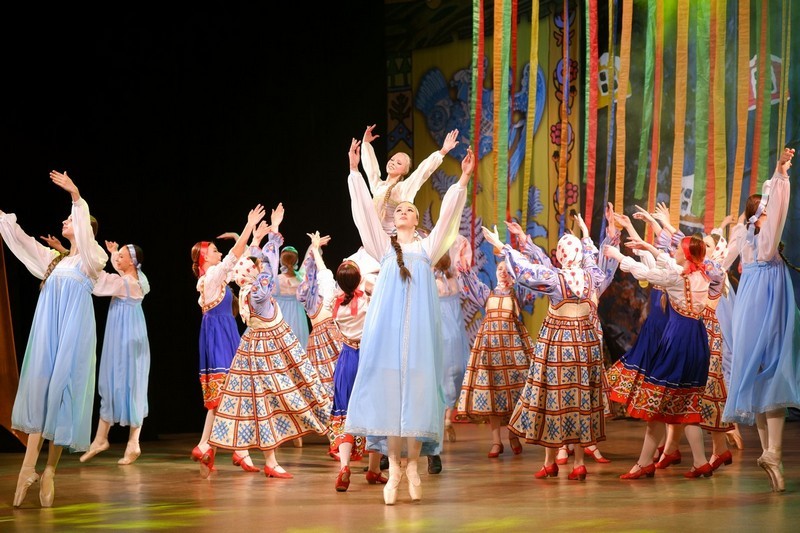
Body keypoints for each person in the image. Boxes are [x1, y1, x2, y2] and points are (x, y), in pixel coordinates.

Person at [344, 137, 474, 505]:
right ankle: (395, 471)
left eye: (409, 210)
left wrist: (463, 180)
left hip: (418, 336)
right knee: (391, 399)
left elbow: (448, 217)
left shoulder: (427, 248)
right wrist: (354, 171)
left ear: (417, 220)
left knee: (416, 396)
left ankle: (413, 465)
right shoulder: (382, 247)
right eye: (399, 209)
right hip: (387, 337)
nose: (402, 212)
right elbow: (364, 212)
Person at [1, 170, 108, 508]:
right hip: (48, 334)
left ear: (85, 228)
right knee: (41, 392)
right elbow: (22, 242)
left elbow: (86, 239)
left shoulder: (93, 259)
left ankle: (48, 470)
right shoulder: (54, 261)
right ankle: (27, 469)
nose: (65, 221)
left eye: (71, 219)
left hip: (73, 334)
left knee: (62, 396)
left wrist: (76, 195)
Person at [200, 206, 332, 479]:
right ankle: (263, 455)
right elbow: (267, 267)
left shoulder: (247, 289)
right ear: (252, 274)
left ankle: (217, 448)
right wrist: (273, 232)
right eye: (256, 267)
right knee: (276, 399)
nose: (260, 266)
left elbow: (258, 262)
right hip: (267, 349)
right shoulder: (258, 292)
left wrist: (262, 238)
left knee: (256, 405)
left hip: (255, 346)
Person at [483, 216, 607, 481]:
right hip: (584, 343)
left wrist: (503, 247)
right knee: (580, 399)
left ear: (560, 256)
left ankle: (551, 461)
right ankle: (578, 463)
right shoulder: (591, 276)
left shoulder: (554, 278)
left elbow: (526, 271)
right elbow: (591, 259)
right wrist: (586, 236)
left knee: (553, 398)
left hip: (559, 342)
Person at [721, 147, 800, 492]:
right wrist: (781, 174)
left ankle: (772, 456)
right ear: (762, 212)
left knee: (759, 376)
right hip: (767, 299)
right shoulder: (764, 237)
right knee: (775, 371)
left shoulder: (743, 235)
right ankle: (773, 452)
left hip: (749, 302)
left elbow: (721, 263)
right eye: (765, 211)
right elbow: (776, 209)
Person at [605, 233, 715, 480]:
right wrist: (647, 246)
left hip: (677, 341)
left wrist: (619, 256)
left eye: (678, 249)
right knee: (688, 404)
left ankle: (644, 463)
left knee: (655, 405)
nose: (673, 251)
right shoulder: (701, 276)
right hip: (697, 342)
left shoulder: (677, 278)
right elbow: (669, 263)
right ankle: (700, 462)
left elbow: (647, 274)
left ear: (686, 254)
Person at [303, 231, 388, 491]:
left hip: (347, 359)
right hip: (369, 359)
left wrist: (315, 249)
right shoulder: (369, 301)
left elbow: (324, 273)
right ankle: (373, 469)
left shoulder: (334, 300)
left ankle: (344, 467)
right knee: (375, 412)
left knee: (345, 413)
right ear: (360, 279)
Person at [189, 204, 265, 468]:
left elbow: (242, 266)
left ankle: (221, 448)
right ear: (204, 258)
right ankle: (211, 446)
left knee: (233, 393)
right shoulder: (211, 276)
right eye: (213, 251)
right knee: (227, 393)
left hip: (225, 333)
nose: (218, 252)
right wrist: (248, 226)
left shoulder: (216, 277)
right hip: (219, 337)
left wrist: (255, 239)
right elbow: (233, 256)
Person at [455, 240, 533, 460]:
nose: (503, 273)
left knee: (515, 394)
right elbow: (470, 282)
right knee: (492, 395)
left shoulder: (517, 293)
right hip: (490, 349)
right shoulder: (487, 294)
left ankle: (513, 435)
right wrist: (463, 265)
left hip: (512, 350)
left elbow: (528, 277)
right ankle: (496, 441)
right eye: (500, 269)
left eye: (507, 270)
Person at [80, 241, 151, 465]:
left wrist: (83, 259)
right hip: (132, 333)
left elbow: (99, 283)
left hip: (123, 337)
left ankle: (115, 440)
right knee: (131, 382)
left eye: (121, 256)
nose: (117, 259)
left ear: (132, 261)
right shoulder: (139, 279)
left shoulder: (123, 283)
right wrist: (113, 254)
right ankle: (118, 440)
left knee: (117, 381)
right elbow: (121, 272)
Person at [361, 124, 460, 234]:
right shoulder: (378, 186)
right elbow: (371, 169)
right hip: (375, 237)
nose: (392, 163)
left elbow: (422, 172)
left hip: (395, 239)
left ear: (405, 171)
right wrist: (366, 144)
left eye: (398, 163)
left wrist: (443, 151)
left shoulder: (403, 189)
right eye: (392, 160)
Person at [427, 237, 471, 474]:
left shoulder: (450, 279)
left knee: (451, 374)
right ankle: (444, 418)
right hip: (446, 333)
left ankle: (445, 418)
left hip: (451, 333)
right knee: (448, 374)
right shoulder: (440, 281)